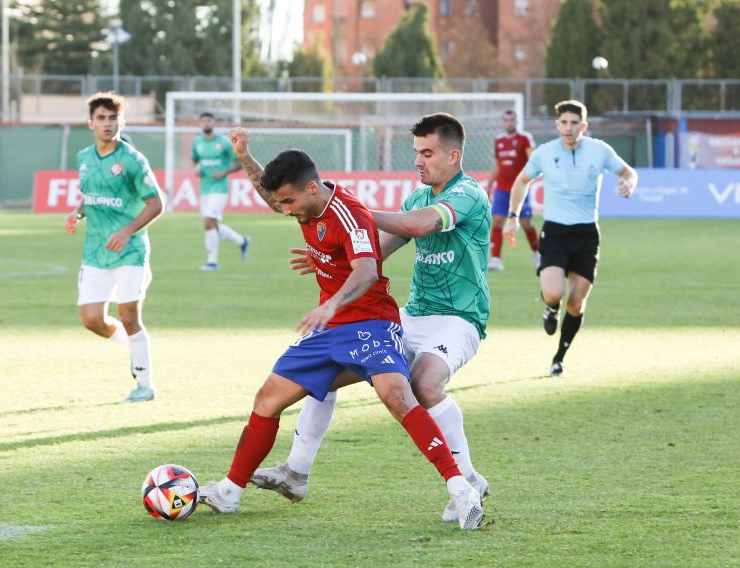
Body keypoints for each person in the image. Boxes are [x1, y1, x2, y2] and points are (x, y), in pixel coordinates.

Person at [198, 136, 484, 530]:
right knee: (267, 398)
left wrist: (331, 302)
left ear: (311, 188)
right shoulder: (303, 204)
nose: (284, 210)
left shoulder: (347, 212)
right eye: (281, 203)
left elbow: (367, 270)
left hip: (370, 322)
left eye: (289, 202)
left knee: (398, 395)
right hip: (329, 328)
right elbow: (271, 194)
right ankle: (229, 491)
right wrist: (246, 158)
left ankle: (462, 486)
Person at [504, 100, 637, 377]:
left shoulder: (600, 151)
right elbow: (522, 181)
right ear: (557, 125)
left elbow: (629, 173)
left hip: (587, 234)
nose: (568, 128)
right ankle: (551, 308)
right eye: (563, 122)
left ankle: (558, 358)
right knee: (554, 293)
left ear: (583, 126)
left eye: (574, 123)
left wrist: (628, 184)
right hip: (554, 231)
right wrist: (513, 216)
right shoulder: (544, 153)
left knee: (577, 302)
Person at [65, 91, 164, 403]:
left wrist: (126, 231)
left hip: (131, 250)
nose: (107, 124)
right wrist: (77, 212)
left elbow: (156, 204)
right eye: (101, 118)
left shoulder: (133, 160)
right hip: (95, 250)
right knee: (91, 320)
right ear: (91, 123)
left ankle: (144, 384)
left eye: (113, 118)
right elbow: (92, 195)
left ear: (122, 121)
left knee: (128, 312)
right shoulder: (84, 159)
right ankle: (136, 348)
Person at [191, 111, 250, 271]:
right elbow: (195, 161)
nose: (206, 123)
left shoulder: (223, 142)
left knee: (209, 221)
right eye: (203, 121)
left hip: (220, 188)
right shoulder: (197, 142)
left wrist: (224, 172)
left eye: (209, 120)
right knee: (212, 225)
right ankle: (242, 241)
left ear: (213, 122)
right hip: (205, 188)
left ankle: (212, 262)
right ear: (200, 124)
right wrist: (196, 169)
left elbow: (239, 163)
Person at [487, 109, 539, 271]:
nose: (509, 123)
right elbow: (497, 164)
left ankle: (537, 254)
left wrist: (528, 178)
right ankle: (496, 258)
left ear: (516, 121)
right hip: (502, 189)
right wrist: (490, 184)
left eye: (512, 120)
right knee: (497, 221)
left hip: (520, 188)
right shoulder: (499, 140)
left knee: (525, 223)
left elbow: (533, 160)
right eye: (506, 120)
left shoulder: (525, 139)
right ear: (503, 122)